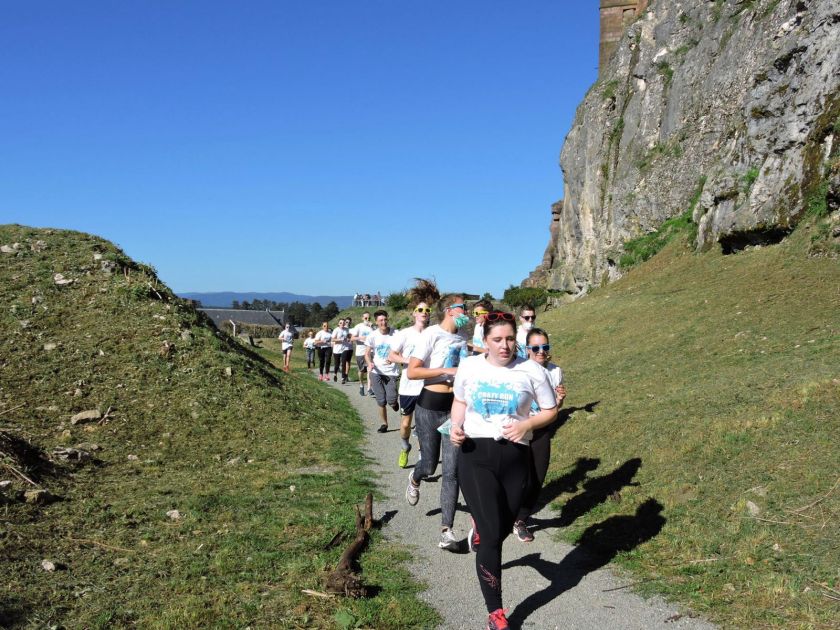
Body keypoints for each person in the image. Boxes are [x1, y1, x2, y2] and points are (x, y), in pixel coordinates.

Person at [450, 312, 557, 630]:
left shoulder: (531, 370)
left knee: (502, 527)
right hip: (475, 454)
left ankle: (485, 530)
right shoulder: (469, 366)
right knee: (493, 538)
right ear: (485, 341)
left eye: (510, 338)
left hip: (515, 456)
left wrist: (527, 424)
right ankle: (496, 613)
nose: (505, 345)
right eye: (497, 339)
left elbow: (550, 411)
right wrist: (456, 426)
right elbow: (459, 402)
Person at [405, 296, 470, 551]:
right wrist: (447, 371)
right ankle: (415, 477)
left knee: (452, 471)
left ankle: (447, 531)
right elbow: (413, 371)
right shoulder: (431, 334)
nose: (465, 311)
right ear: (448, 310)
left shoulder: (464, 337)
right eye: (462, 307)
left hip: (454, 409)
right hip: (429, 406)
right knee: (430, 466)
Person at [512, 328, 567, 543]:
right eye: (536, 348)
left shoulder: (555, 371)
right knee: (515, 476)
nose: (541, 351)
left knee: (537, 477)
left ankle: (520, 520)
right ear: (527, 350)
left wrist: (560, 401)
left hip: (541, 429)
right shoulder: (518, 370)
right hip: (518, 428)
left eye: (545, 347)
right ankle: (498, 514)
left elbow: (554, 408)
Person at [388, 301, 431, 468]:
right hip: (408, 386)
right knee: (406, 423)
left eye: (427, 310)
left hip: (427, 386)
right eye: (420, 309)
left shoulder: (433, 333)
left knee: (423, 424)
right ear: (414, 313)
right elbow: (392, 355)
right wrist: (410, 361)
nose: (424, 312)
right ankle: (405, 446)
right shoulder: (404, 334)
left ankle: (422, 455)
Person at [365, 310, 399, 433]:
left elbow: (402, 349)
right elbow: (367, 353)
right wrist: (369, 363)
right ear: (376, 322)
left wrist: (395, 357)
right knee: (381, 400)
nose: (383, 322)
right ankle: (384, 424)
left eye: (385, 320)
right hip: (376, 371)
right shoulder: (372, 336)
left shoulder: (396, 333)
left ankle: (394, 403)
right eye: (380, 320)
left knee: (391, 399)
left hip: (391, 372)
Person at [350, 312, 374, 396]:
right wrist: (360, 338)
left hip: (369, 351)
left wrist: (372, 328)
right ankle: (361, 385)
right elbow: (352, 338)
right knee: (361, 370)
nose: (367, 320)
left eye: (369, 318)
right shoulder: (358, 326)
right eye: (366, 318)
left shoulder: (372, 328)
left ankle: (369, 389)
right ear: (362, 318)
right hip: (360, 351)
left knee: (370, 369)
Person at [338, 317, 354, 384]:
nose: (348, 323)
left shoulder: (351, 330)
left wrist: (351, 340)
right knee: (343, 362)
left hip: (350, 348)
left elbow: (352, 338)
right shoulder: (342, 329)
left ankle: (346, 375)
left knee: (348, 362)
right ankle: (343, 375)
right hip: (342, 348)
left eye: (349, 322)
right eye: (347, 322)